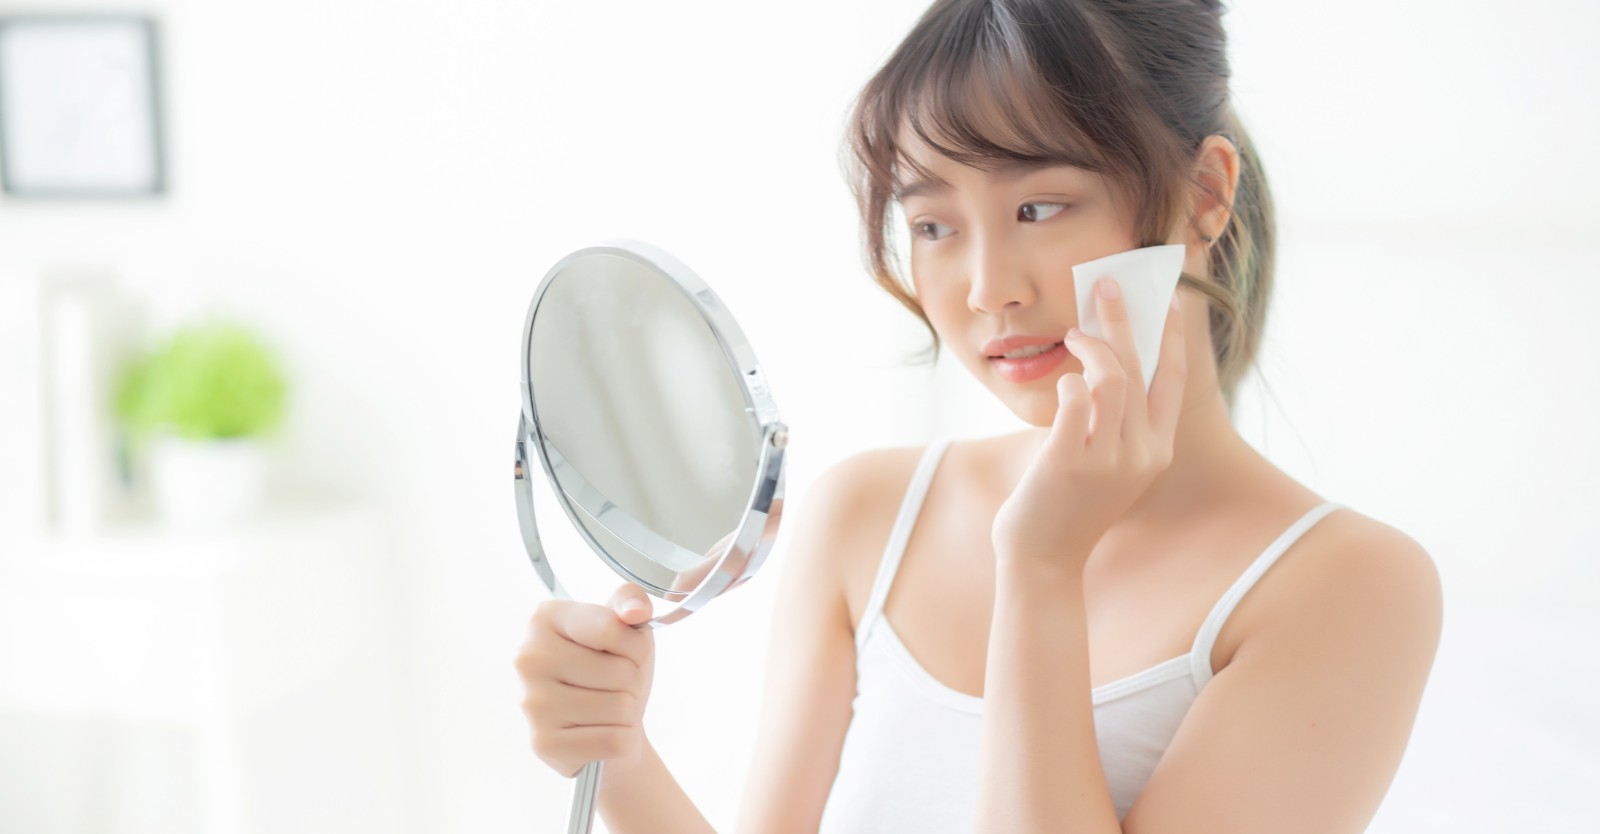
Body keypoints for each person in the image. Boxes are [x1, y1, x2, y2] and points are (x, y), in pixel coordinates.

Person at [513, 0, 1443, 831]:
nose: (988, 289)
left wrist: (1040, 568)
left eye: (1038, 207)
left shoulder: (1347, 587)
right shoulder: (867, 516)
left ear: (1204, 195)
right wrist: (619, 760)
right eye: (933, 226)